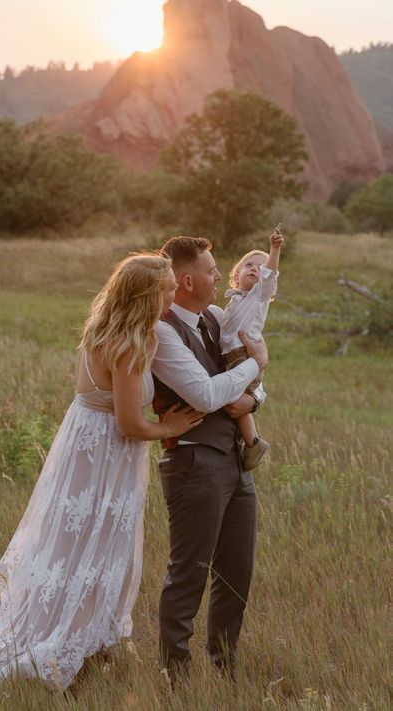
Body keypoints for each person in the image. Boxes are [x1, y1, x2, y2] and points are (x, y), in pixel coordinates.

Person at [0, 253, 204, 691]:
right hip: (109, 452)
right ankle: (70, 641)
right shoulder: (131, 344)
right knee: (100, 545)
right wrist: (171, 426)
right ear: (146, 296)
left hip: (82, 444)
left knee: (69, 543)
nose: (171, 294)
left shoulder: (99, 330)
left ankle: (80, 634)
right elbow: (130, 424)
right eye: (166, 289)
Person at [151, 236, 268, 683]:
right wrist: (256, 367)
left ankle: (225, 671)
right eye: (212, 270)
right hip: (193, 464)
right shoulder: (162, 331)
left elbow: (245, 389)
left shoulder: (217, 318)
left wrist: (253, 398)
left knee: (237, 573)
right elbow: (204, 392)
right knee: (189, 576)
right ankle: (175, 680)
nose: (220, 277)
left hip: (235, 462)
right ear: (186, 280)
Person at [220, 225, 284, 470]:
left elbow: (270, 275)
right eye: (249, 265)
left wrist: (274, 249)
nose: (255, 269)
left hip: (244, 356)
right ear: (235, 275)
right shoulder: (234, 301)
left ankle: (253, 442)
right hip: (232, 357)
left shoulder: (259, 297)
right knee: (233, 398)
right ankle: (248, 441)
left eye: (261, 267)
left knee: (236, 399)